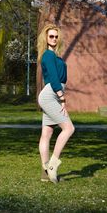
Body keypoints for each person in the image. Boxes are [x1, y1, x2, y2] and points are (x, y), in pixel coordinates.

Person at [37, 23, 75, 184]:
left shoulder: (55, 56)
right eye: (51, 36)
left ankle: (45, 173)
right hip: (51, 94)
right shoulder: (47, 55)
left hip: (51, 93)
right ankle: (52, 164)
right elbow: (53, 77)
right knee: (69, 128)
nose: (53, 38)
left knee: (47, 133)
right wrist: (62, 98)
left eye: (56, 36)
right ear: (45, 38)